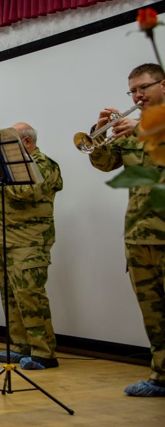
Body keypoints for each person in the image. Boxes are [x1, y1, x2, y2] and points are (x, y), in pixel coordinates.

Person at [88, 63, 165, 397]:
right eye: (132, 91)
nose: (137, 96)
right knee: (153, 314)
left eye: (143, 88)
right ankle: (160, 375)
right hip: (139, 235)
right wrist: (100, 132)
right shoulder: (131, 128)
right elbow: (103, 162)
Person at [0, 122, 62, 370]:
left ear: (26, 143)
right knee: (10, 297)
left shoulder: (44, 164)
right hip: (4, 237)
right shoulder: (6, 169)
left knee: (30, 297)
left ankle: (44, 352)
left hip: (30, 240)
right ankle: (20, 346)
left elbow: (29, 192)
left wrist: (0, 176)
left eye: (8, 144)